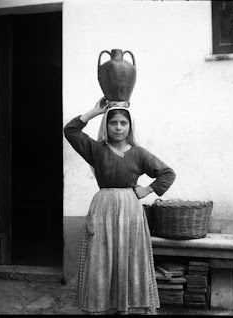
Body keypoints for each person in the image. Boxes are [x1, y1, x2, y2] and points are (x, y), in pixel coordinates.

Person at [64, 97, 176, 315]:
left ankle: (130, 307)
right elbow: (70, 131)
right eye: (113, 122)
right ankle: (101, 306)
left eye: (123, 123)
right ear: (106, 126)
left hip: (130, 211)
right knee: (100, 258)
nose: (118, 127)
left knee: (130, 257)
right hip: (103, 209)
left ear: (130, 127)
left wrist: (147, 190)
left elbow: (167, 173)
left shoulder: (139, 153)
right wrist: (95, 112)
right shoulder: (96, 150)